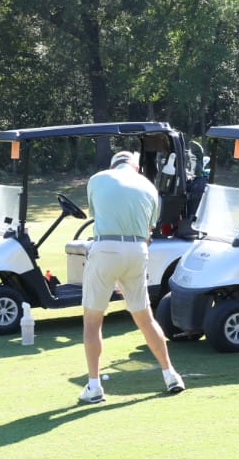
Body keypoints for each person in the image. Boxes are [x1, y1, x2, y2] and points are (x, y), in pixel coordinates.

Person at [79, 150, 185, 403]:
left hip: (105, 248)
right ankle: (171, 375)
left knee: (92, 321)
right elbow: (148, 231)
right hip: (137, 250)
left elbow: (98, 214)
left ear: (113, 165)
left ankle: (94, 386)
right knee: (145, 318)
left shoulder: (97, 179)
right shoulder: (149, 187)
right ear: (135, 168)